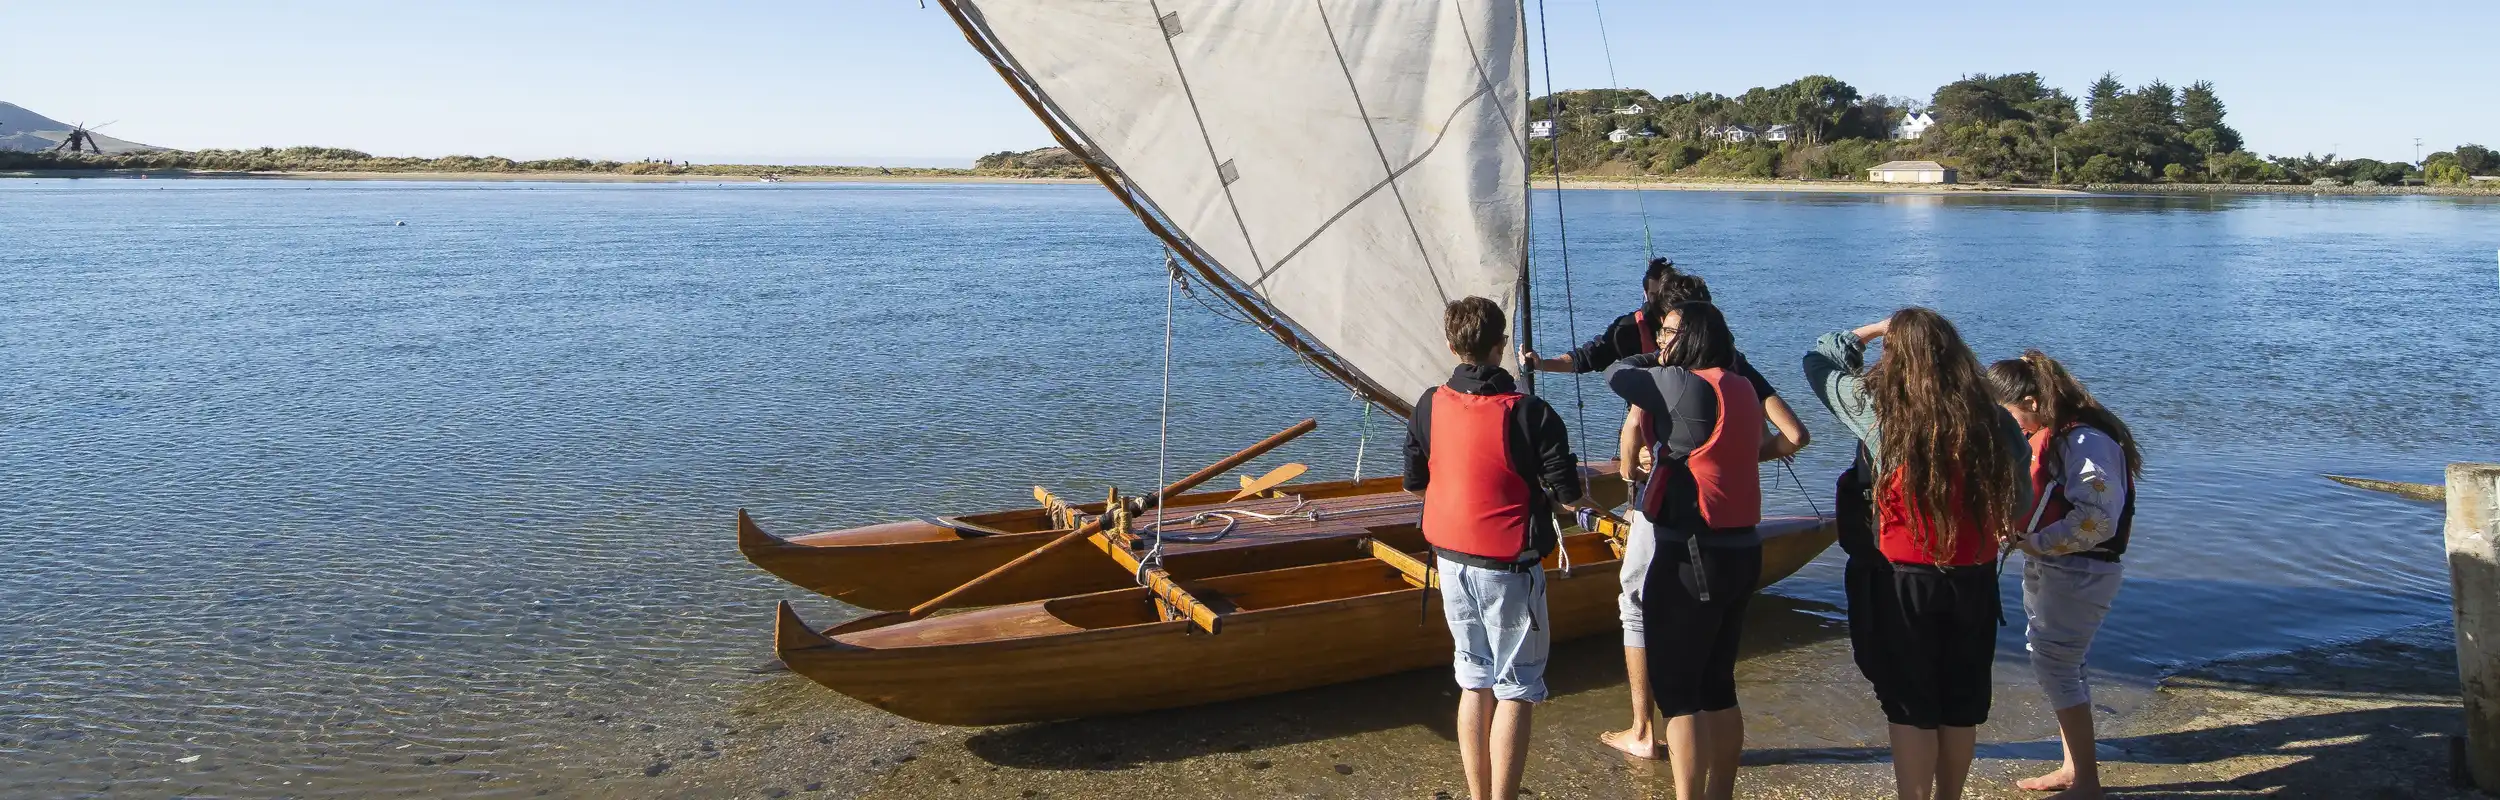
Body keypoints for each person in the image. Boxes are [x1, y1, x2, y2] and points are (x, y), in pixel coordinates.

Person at [1519, 261, 1808, 760]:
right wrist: (1734, 451)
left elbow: (1620, 392)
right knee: (1719, 681)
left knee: (1639, 614)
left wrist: (1634, 476)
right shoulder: (1737, 371)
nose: (1660, 334)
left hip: (1678, 521)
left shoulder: (1671, 379)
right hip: (1737, 538)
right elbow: (1796, 436)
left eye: (1668, 328)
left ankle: (1642, 731)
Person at [1806, 308, 2025, 800]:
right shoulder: (1990, 415)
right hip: (1974, 574)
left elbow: (1819, 362)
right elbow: (2020, 488)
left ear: (1895, 356)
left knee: (1910, 704)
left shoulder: (1878, 408)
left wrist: (1872, 329)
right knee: (1960, 702)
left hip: (1901, 577)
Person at [1604, 302, 1806, 800]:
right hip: (1741, 551)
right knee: (1718, 683)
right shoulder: (1740, 386)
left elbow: (1615, 373)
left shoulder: (1684, 384)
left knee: (1678, 694)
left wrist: (1655, 357)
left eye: (1672, 337)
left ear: (1689, 341)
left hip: (1690, 556)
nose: (1664, 344)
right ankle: (1720, 793)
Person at [1404, 296, 1584, 800]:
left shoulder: (1427, 405)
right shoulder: (1532, 414)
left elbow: (1415, 483)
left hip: (1452, 563)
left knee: (1473, 678)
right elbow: (1568, 496)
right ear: (1501, 346)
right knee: (1517, 688)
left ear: (1451, 344)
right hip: (1510, 569)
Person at [1988, 351, 2143, 800]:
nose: (2006, 427)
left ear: (2034, 402)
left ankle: (2087, 784)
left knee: (2056, 665)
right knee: (2064, 665)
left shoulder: (2085, 442)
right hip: (2062, 568)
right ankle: (2075, 769)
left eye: (2008, 415)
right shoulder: (2060, 436)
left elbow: (2097, 519)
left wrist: (2030, 541)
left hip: (2081, 572)